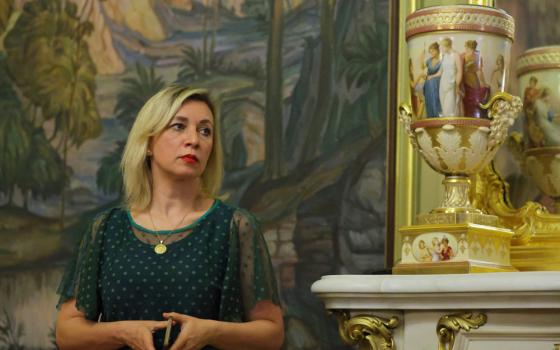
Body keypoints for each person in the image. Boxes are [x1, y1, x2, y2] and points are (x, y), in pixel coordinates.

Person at [55, 85, 284, 350]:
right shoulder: (106, 228)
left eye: (205, 131)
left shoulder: (235, 226)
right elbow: (67, 333)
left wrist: (212, 332)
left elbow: (272, 334)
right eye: (178, 126)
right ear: (149, 142)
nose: (194, 140)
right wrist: (122, 332)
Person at [461, 40, 489, 118]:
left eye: (466, 46)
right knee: (467, 100)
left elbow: (479, 71)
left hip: (471, 80)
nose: (465, 48)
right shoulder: (464, 55)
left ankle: (472, 117)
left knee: (472, 99)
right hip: (466, 81)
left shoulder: (476, 56)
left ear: (469, 47)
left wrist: (483, 83)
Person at [436, 37, 463, 117]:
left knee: (449, 109)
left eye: (442, 47)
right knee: (444, 107)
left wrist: (457, 85)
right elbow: (440, 72)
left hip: (451, 84)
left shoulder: (456, 55)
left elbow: (459, 71)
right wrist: (431, 76)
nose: (441, 49)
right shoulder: (444, 56)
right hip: (443, 83)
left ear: (447, 46)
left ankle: (450, 126)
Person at [423, 42, 442, 118]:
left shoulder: (442, 60)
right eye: (430, 52)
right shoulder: (429, 61)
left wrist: (432, 77)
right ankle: (430, 116)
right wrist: (422, 54)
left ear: (437, 50)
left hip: (437, 82)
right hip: (428, 83)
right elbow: (423, 67)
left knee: (436, 99)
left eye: (433, 51)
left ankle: (437, 116)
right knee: (429, 100)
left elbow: (441, 73)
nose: (431, 53)